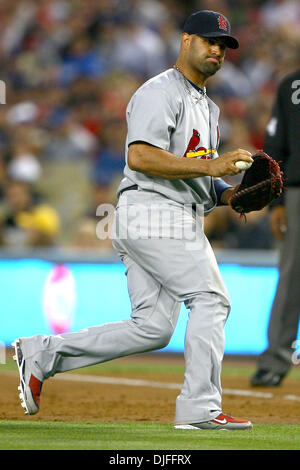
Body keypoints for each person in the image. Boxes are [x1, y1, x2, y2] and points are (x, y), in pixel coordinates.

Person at [13, 11, 254, 430]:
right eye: (208, 40)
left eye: (223, 45)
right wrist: (215, 170)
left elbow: (196, 175)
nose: (216, 49)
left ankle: (43, 353)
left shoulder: (210, 110)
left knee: (153, 328)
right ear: (185, 41)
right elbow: (140, 156)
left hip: (166, 214)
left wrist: (229, 193)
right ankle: (200, 408)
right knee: (211, 299)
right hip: (154, 210)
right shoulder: (159, 91)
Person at [250, 69, 300, 387]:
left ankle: (275, 360)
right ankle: (275, 360)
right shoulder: (291, 85)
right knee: (292, 276)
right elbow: (275, 145)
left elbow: (274, 143)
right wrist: (276, 201)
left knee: (292, 275)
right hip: (297, 190)